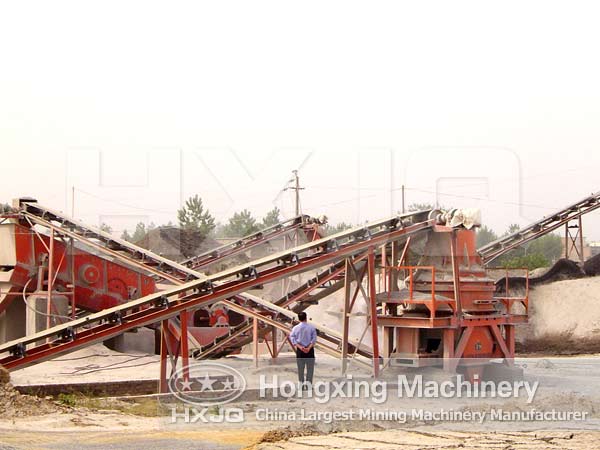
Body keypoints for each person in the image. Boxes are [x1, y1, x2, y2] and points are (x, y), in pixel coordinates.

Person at [289, 312, 317, 390]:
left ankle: (301, 386)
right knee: (310, 369)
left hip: (300, 351)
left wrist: (300, 347)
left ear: (299, 318)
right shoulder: (311, 328)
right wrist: (308, 348)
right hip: (310, 350)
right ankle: (308, 386)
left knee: (300, 369)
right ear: (306, 317)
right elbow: (314, 340)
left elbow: (293, 339)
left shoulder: (295, 328)